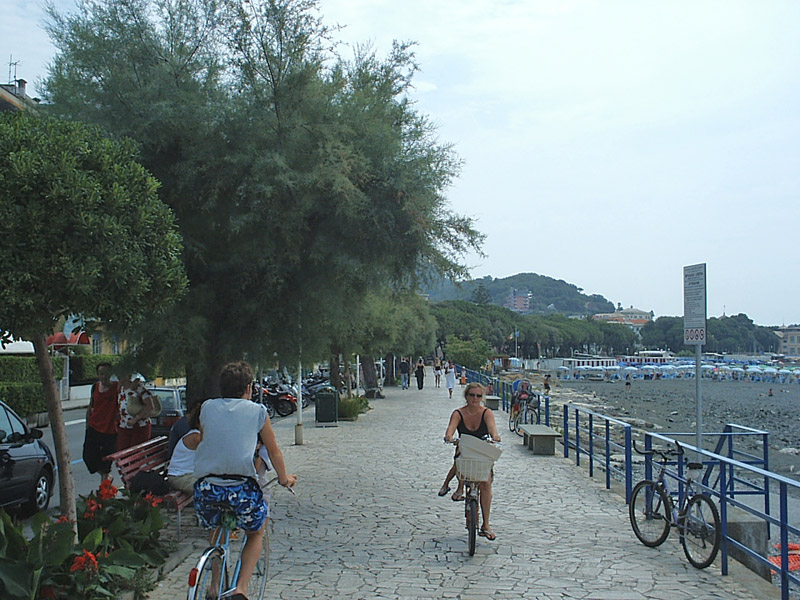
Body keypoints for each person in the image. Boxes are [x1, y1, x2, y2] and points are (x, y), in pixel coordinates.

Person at [193, 361, 297, 600]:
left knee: (218, 527)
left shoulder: (207, 407)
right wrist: (284, 478)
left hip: (206, 488)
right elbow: (274, 451)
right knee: (256, 531)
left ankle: (214, 585)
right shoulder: (257, 411)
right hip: (241, 489)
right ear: (249, 387)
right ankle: (241, 589)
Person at [439, 382, 501, 540]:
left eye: (479, 395)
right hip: (465, 450)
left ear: (482, 397)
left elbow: (492, 428)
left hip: (481, 451)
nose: (475, 398)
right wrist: (449, 437)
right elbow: (451, 428)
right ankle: (456, 487)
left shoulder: (486, 413)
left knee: (486, 484)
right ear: (466, 396)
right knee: (460, 460)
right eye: (471, 395)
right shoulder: (458, 413)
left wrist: (495, 436)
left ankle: (486, 524)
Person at [83, 362, 120, 483]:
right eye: (101, 374)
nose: (103, 376)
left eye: (106, 374)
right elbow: (91, 406)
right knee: (88, 457)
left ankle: (104, 495)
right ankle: (107, 479)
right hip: (94, 428)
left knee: (105, 464)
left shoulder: (117, 388)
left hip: (110, 431)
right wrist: (87, 424)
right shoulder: (95, 387)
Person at [167, 403, 202, 493]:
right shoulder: (196, 437)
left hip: (190, 475)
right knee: (211, 488)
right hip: (180, 477)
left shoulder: (198, 434)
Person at [117, 373, 156, 451]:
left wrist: (136, 419)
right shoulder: (120, 390)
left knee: (135, 453)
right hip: (124, 427)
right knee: (122, 454)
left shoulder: (138, 388)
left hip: (139, 427)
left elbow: (150, 406)